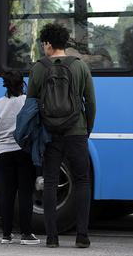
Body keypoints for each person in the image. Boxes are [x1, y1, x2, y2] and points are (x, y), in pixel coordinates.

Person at [27, 23, 96, 248]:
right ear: (64, 43)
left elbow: (31, 105)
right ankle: (82, 237)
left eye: (43, 44)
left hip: (50, 133)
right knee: (82, 181)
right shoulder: (80, 67)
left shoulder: (38, 67)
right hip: (76, 132)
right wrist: (86, 130)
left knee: (50, 183)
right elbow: (91, 102)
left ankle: (52, 239)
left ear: (48, 44)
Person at [0, 71, 40, 245]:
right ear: (23, 85)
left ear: (5, 86)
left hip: (3, 155)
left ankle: (6, 235)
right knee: (24, 194)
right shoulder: (26, 102)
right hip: (23, 153)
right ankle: (26, 234)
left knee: (7, 194)